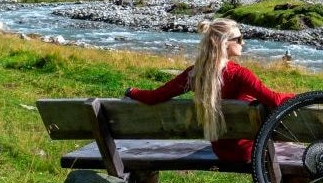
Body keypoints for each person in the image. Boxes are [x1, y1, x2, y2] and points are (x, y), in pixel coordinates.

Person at [125, 18, 294, 163]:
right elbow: (274, 100)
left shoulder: (194, 74)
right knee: (288, 147)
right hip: (247, 151)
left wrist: (131, 91)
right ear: (225, 43)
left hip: (220, 151)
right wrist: (304, 97)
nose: (243, 42)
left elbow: (155, 97)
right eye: (239, 38)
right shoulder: (240, 74)